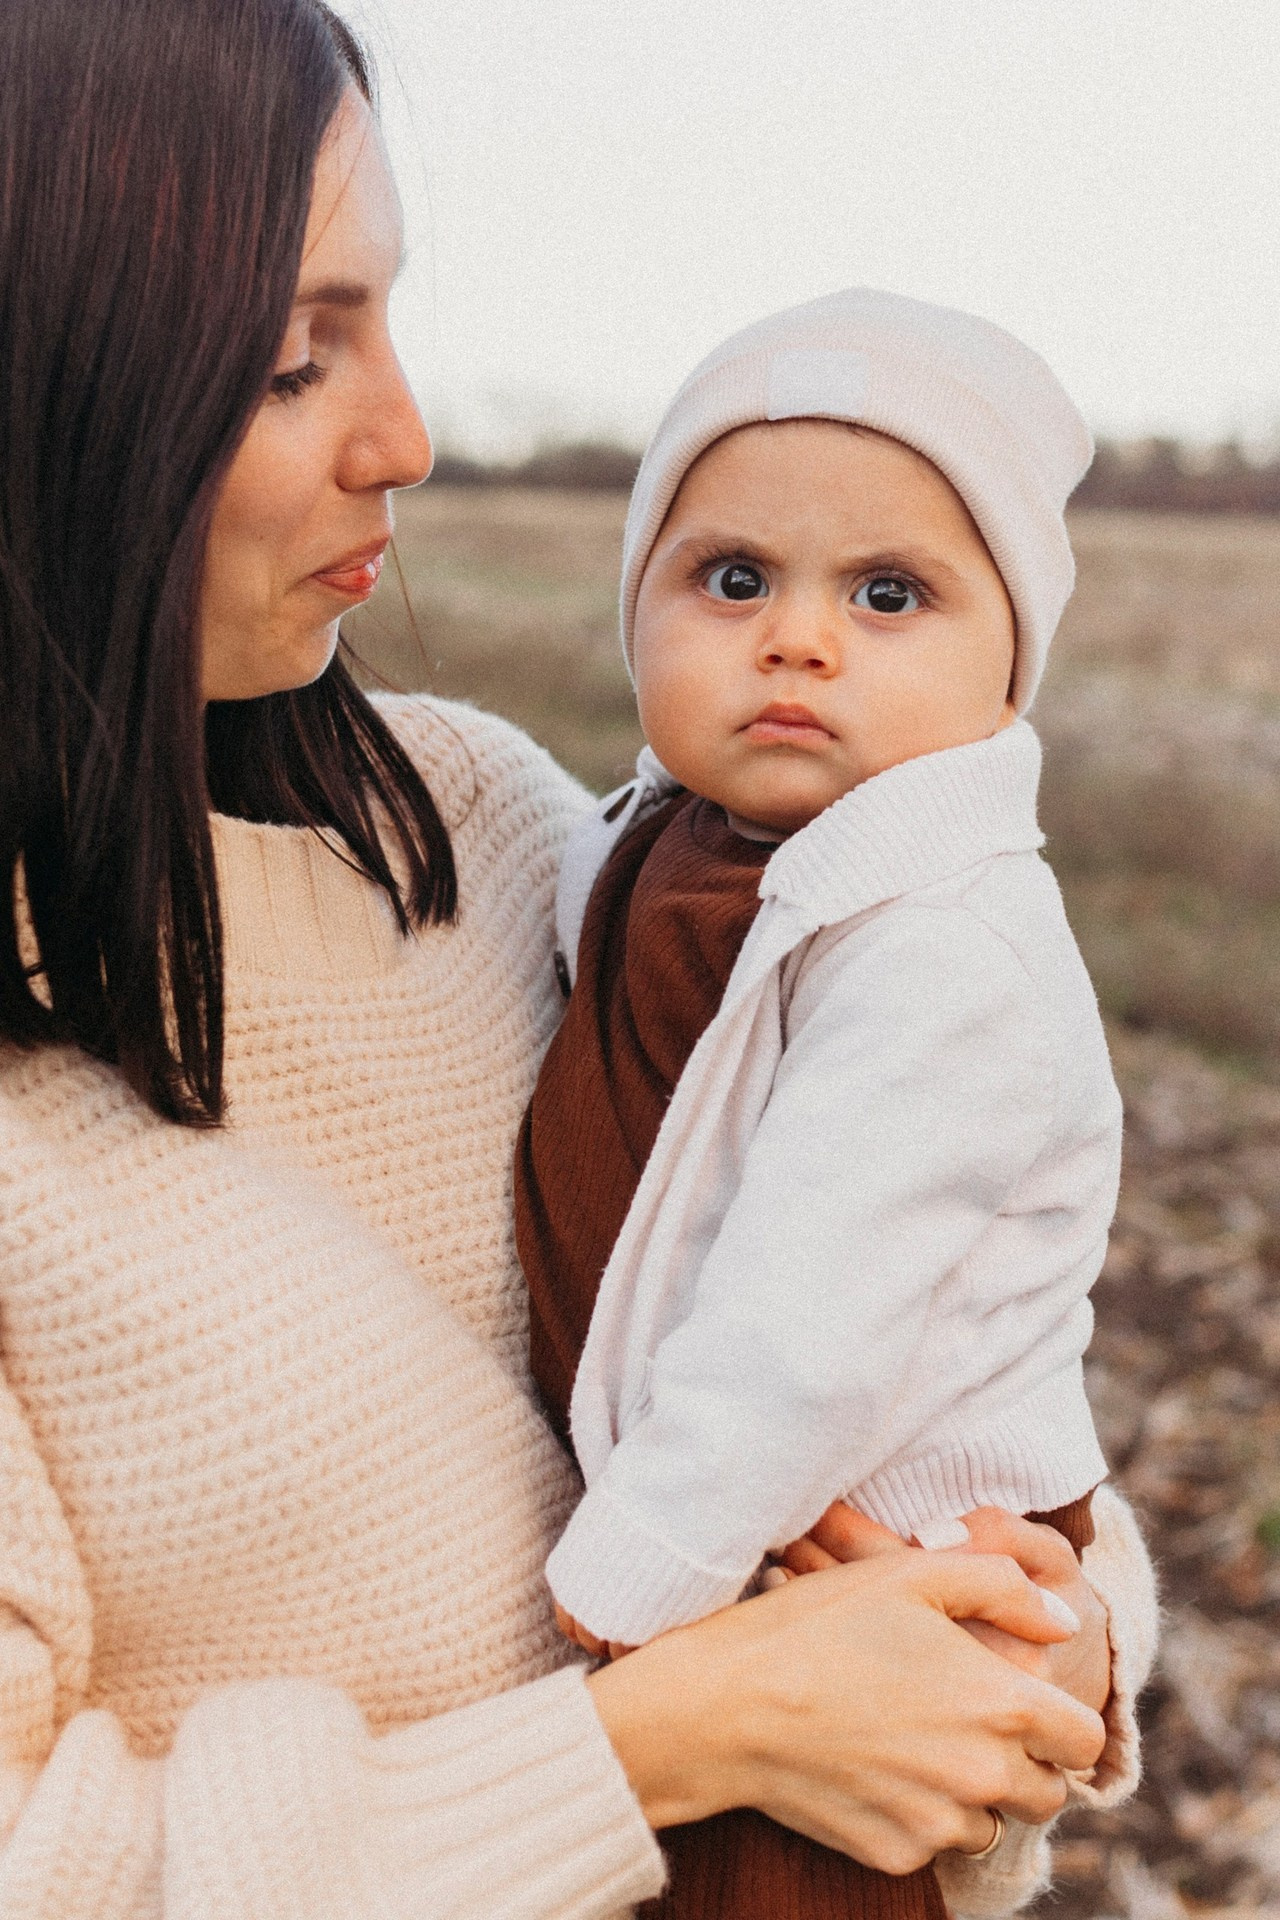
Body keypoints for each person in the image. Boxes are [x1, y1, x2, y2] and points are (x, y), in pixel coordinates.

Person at [0, 2, 1154, 1916]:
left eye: (389, 317)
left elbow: (935, 1327)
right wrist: (670, 1741)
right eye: (293, 361)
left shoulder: (509, 841)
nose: (409, 436)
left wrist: (1055, 1636)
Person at [516, 292, 1147, 1915]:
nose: (798, 639)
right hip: (756, 1519)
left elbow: (809, 1317)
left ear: (1010, 669)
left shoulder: (944, 951)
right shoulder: (663, 843)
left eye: (889, 593)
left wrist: (644, 1574)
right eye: (733, 579)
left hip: (875, 1539)